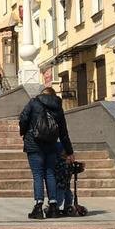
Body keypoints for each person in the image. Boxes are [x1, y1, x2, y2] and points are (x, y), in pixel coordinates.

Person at [18, 84, 75, 220]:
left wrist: (24, 132)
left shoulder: (33, 103)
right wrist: (69, 151)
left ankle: (38, 207)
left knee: (38, 175)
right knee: (50, 174)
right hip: (51, 145)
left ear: (42, 94)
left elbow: (23, 119)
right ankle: (53, 207)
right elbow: (64, 133)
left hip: (34, 144)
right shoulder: (58, 107)